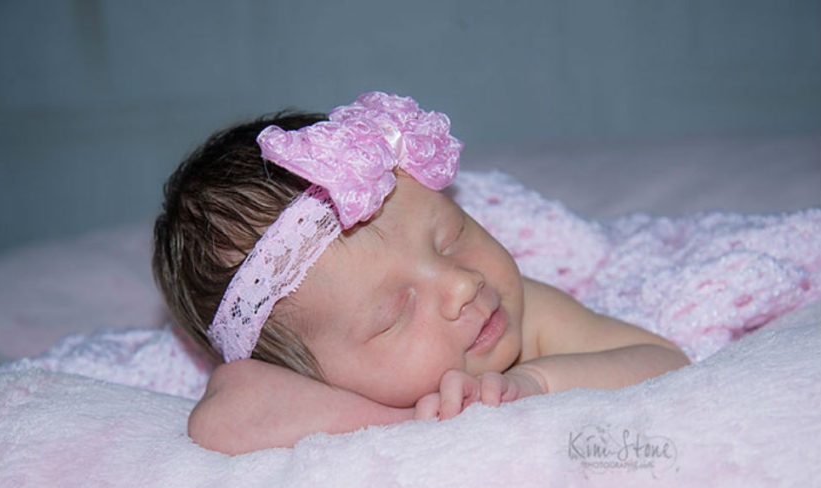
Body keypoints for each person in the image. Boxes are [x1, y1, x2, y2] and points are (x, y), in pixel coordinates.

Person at [153, 92, 689, 454]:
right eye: (395, 313)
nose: (462, 284)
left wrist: (537, 382)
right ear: (308, 375)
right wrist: (409, 426)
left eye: (452, 236)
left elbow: (663, 361)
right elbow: (221, 416)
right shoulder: (331, 393)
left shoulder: (523, 313)